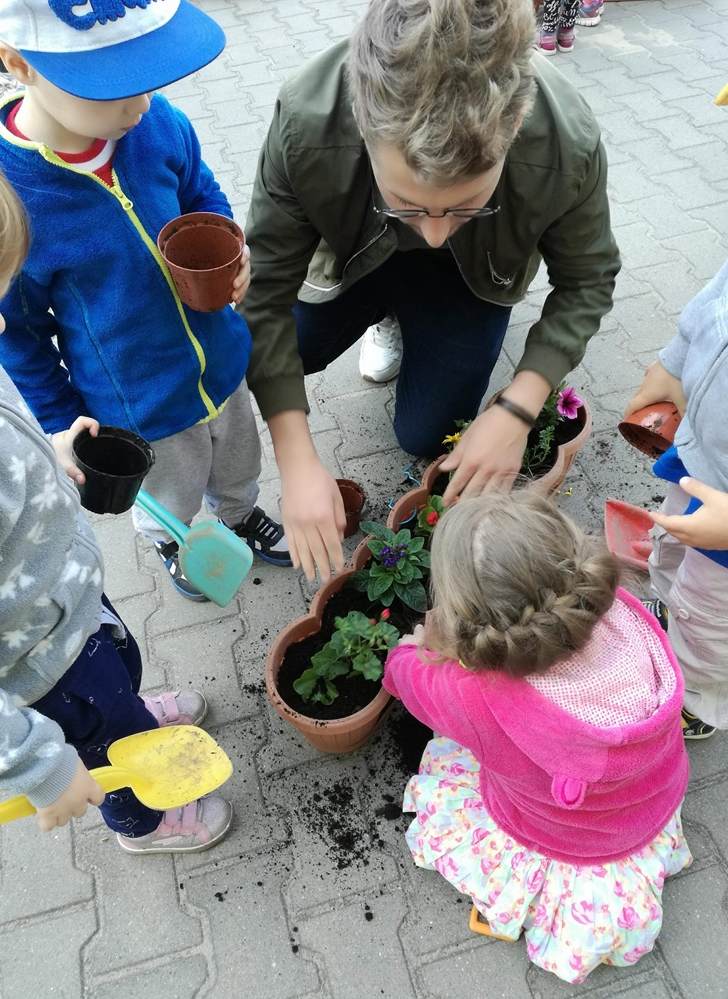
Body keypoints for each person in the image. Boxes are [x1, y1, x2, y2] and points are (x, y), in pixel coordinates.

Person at [238, 0, 620, 582]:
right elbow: (262, 292)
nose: (437, 234)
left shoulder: (566, 142)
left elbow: (588, 280)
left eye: (469, 207)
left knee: (422, 434)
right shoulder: (306, 119)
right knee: (290, 347)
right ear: (364, 125)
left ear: (514, 127)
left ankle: (424, 314)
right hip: (358, 258)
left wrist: (518, 407)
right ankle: (388, 312)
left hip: (472, 280)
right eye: (408, 204)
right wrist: (294, 458)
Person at [0, 0, 291, 603]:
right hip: (138, 403)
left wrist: (232, 244)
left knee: (236, 458)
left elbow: (201, 190)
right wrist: (63, 422)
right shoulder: (7, 204)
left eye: (148, 76)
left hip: (220, 360)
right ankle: (173, 540)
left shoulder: (155, 125)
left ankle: (240, 513)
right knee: (169, 489)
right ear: (20, 64)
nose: (140, 103)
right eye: (111, 87)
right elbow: (16, 333)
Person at [0, 148, 232, 852]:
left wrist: (48, 458)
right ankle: (141, 819)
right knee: (96, 742)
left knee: (113, 674)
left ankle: (125, 719)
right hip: (37, 665)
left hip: (65, 606)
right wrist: (41, 765)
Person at [383, 490, 690, 985]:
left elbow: (411, 685)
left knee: (459, 767)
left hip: (567, 835)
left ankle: (528, 896)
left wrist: (412, 652)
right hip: (644, 806)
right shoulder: (627, 614)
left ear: (466, 615)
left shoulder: (480, 699)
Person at [624, 253, 728, 740]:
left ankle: (699, 699)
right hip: (699, 454)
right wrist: (678, 355)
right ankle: (670, 606)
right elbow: (719, 290)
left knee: (711, 621)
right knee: (670, 545)